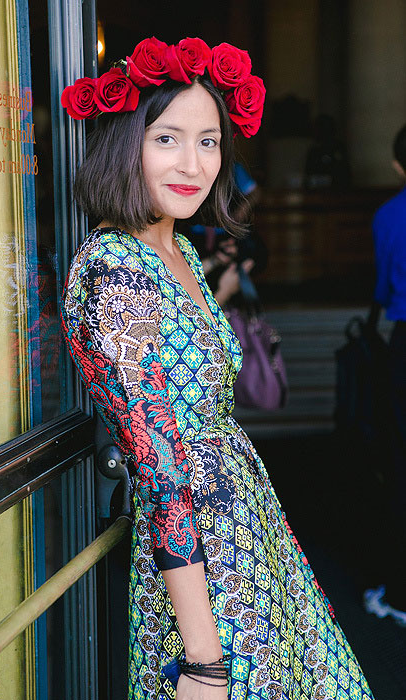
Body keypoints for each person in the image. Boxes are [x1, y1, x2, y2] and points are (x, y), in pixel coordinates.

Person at [60, 37, 375, 699]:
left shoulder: (173, 249)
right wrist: (201, 657)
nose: (193, 163)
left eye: (208, 142)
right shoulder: (115, 269)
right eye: (168, 138)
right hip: (200, 568)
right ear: (126, 144)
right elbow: (157, 462)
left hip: (243, 530)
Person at [364, 124, 406, 626]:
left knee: (400, 464)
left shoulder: (388, 216)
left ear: (398, 165)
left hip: (404, 342)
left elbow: (380, 286)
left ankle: (398, 594)